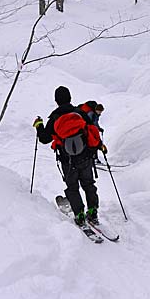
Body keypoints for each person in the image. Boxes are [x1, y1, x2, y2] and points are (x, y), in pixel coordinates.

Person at [33, 86, 103, 226]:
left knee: (72, 188)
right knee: (89, 184)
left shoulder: (54, 118)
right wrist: (99, 145)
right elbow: (92, 130)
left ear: (56, 100)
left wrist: (39, 125)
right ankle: (93, 211)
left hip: (68, 160)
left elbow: (45, 139)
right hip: (86, 157)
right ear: (70, 98)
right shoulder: (79, 113)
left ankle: (79, 214)